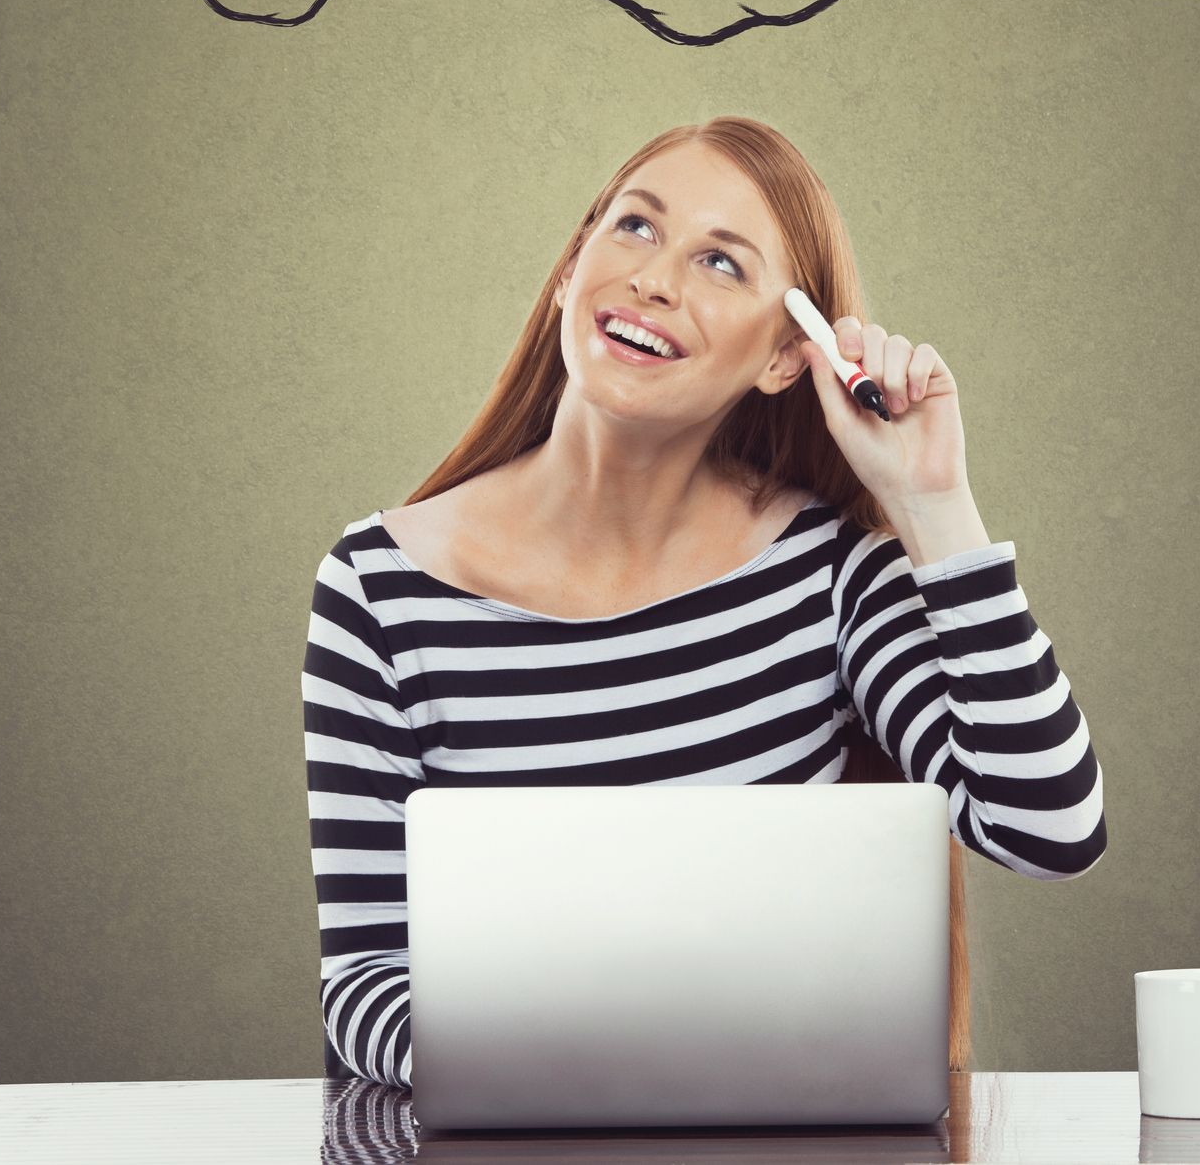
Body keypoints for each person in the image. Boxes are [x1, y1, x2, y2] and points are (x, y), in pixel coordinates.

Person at [302, 116, 1107, 1090]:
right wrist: (597, 1077)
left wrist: (934, 505)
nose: (654, 278)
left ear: (786, 357)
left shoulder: (826, 574)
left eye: (722, 262)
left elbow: (1049, 828)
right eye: (636, 227)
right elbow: (365, 985)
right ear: (570, 270)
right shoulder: (377, 588)